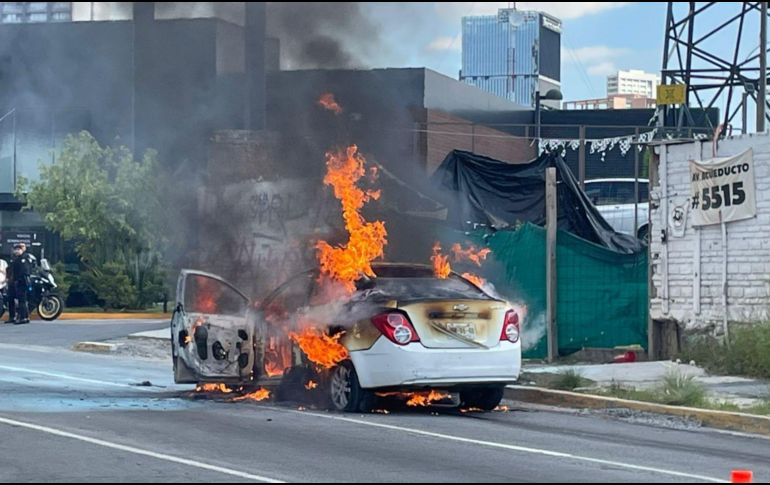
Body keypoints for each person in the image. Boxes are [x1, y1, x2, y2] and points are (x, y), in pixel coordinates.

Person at [7, 243, 35, 325]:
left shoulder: (23, 258)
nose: (16, 251)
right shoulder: (17, 259)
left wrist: (19, 280)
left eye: (18, 249)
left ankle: (23, 317)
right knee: (20, 299)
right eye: (15, 250)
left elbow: (24, 271)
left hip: (22, 281)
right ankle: (23, 317)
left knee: (22, 300)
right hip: (17, 281)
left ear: (21, 250)